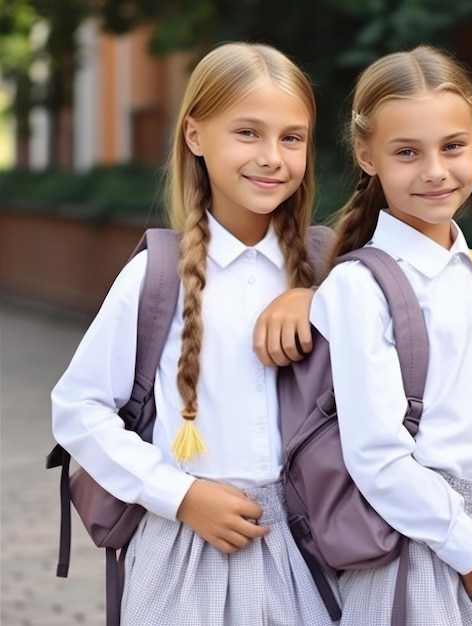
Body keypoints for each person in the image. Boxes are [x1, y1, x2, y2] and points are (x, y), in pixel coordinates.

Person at [51, 42, 338, 626]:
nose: (272, 157)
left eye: (292, 137)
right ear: (195, 135)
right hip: (186, 548)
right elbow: (77, 409)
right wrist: (179, 495)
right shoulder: (155, 276)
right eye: (248, 133)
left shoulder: (336, 272)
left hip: (311, 553)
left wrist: (315, 295)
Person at [309, 45, 472, 626]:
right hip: (411, 550)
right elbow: (375, 455)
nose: (435, 171)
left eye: (453, 146)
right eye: (407, 152)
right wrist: (469, 546)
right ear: (366, 154)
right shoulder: (360, 287)